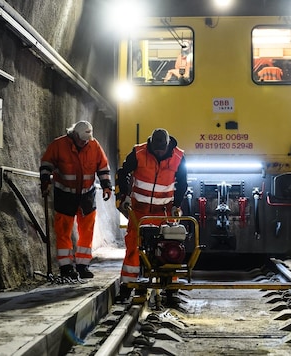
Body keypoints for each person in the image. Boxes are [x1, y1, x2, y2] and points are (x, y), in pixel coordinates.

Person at [115, 128, 188, 300]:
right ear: (151, 144)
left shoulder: (178, 157)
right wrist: (124, 196)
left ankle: (171, 288)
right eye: (156, 149)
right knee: (133, 246)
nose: (159, 151)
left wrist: (176, 205)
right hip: (139, 210)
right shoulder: (139, 152)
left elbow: (183, 183)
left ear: (168, 144)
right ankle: (127, 286)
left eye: (161, 149)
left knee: (170, 248)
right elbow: (123, 172)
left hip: (164, 211)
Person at [40, 121, 113, 280]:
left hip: (87, 196)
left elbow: (102, 167)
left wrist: (107, 186)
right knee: (63, 231)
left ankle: (83, 265)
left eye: (87, 140)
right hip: (65, 194)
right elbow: (47, 163)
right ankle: (66, 267)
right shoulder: (59, 145)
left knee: (87, 231)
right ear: (73, 135)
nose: (84, 142)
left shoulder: (94, 145)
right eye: (82, 140)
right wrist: (45, 180)